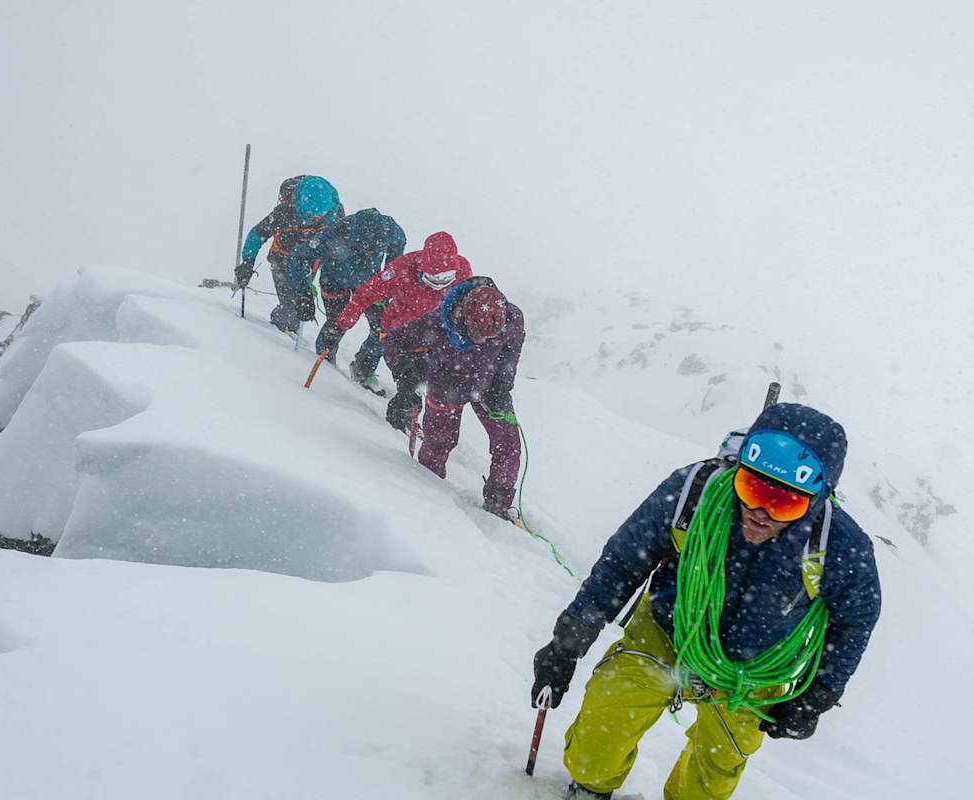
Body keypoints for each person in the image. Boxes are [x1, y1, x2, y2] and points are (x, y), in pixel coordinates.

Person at [531, 402, 881, 800]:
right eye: (751, 488)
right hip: (668, 627)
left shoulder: (838, 545)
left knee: (712, 778)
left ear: (817, 500)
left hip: (753, 669)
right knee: (606, 718)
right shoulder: (694, 492)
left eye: (785, 502)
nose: (759, 512)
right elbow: (625, 560)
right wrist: (569, 641)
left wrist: (817, 694)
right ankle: (590, 788)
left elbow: (857, 617)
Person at [382, 277, 523, 518]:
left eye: (490, 336)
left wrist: (502, 387)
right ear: (463, 316)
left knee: (508, 446)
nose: (483, 341)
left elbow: (510, 355)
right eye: (477, 334)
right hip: (446, 386)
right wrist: (405, 375)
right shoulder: (438, 321)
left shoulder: (512, 319)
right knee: (439, 444)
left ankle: (497, 504)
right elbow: (394, 341)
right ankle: (429, 495)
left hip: (489, 389)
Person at [315, 232, 471, 430]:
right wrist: (341, 325)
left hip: (433, 337)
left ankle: (405, 416)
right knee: (382, 351)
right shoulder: (402, 269)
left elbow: (465, 306)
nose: (439, 286)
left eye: (445, 279)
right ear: (422, 268)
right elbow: (366, 293)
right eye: (432, 279)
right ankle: (364, 373)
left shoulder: (464, 269)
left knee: (416, 381)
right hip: (398, 331)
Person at [284, 208, 406, 391]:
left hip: (370, 286)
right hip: (334, 280)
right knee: (336, 323)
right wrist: (302, 293)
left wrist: (387, 281)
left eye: (374, 249)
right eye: (364, 248)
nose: (368, 253)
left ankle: (363, 370)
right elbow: (297, 257)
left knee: (383, 328)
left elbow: (397, 253)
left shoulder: (391, 230)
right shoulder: (333, 233)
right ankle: (325, 362)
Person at [234, 175, 344, 334]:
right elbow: (257, 234)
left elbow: (338, 243)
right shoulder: (285, 212)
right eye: (311, 215)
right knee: (292, 306)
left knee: (300, 305)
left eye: (321, 215)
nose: (316, 219)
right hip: (282, 258)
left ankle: (285, 328)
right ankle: (281, 330)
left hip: (310, 263)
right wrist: (247, 263)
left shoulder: (336, 213)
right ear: (301, 204)